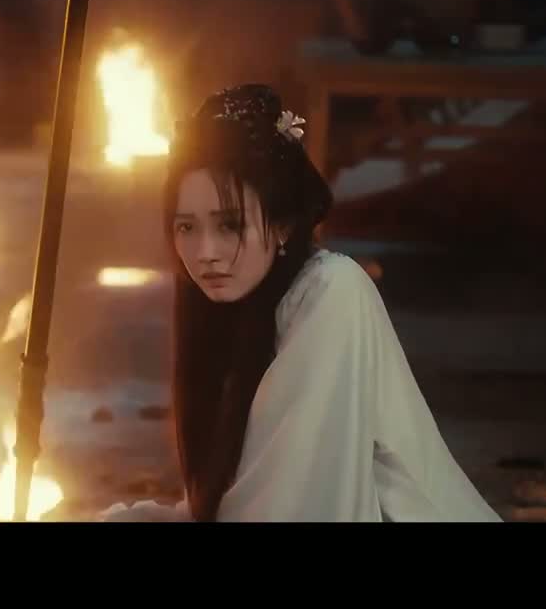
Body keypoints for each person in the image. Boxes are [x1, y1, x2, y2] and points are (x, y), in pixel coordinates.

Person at [101, 84, 502, 522]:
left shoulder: (332, 291)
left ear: (284, 225)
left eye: (230, 225)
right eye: (186, 228)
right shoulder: (231, 303)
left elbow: (299, 500)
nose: (205, 253)